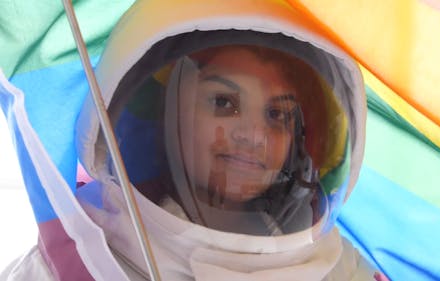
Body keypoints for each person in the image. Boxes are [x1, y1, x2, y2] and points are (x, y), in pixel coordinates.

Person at [1, 0, 390, 280]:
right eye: (225, 103)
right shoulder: (78, 261)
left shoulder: (344, 271)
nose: (252, 134)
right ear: (165, 112)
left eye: (277, 115)